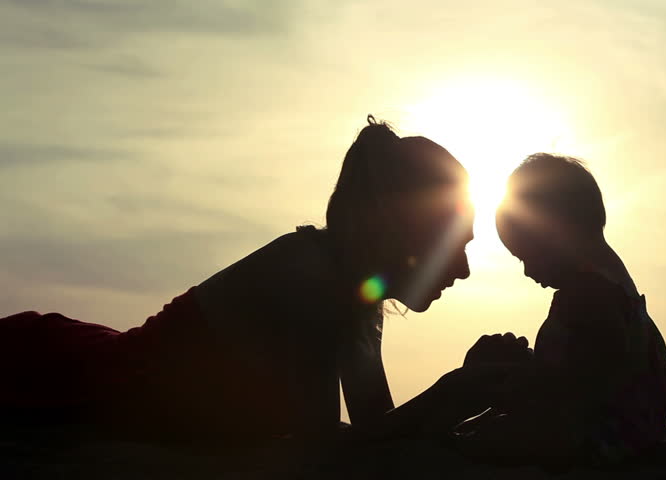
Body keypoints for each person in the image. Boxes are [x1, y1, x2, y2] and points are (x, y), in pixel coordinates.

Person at [0, 116, 496, 440]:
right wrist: (457, 391)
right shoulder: (307, 277)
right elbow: (324, 450)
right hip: (49, 373)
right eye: (455, 247)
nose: (464, 270)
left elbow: (377, 432)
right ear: (406, 233)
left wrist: (477, 399)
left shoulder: (355, 296)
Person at [456, 153, 666, 466]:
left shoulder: (590, 297)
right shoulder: (615, 287)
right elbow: (587, 367)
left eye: (528, 256)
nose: (528, 272)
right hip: (628, 431)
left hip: (601, 439)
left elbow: (577, 393)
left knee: (481, 438)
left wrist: (507, 383)